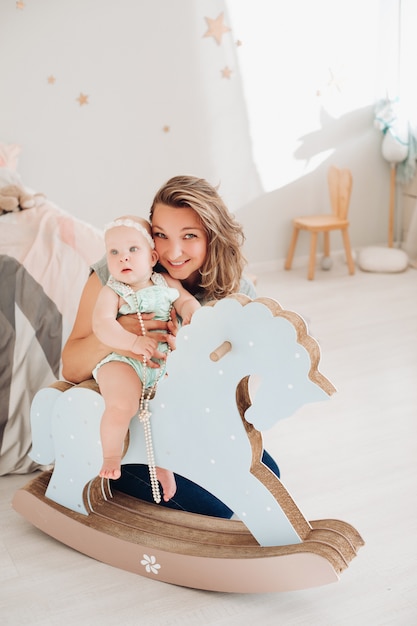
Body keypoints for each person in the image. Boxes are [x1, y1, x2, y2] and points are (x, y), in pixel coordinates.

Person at [62, 175, 280, 518]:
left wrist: (195, 357)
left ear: (214, 235)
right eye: (161, 235)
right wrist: (123, 333)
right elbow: (71, 367)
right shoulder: (120, 273)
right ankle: (112, 469)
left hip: (188, 418)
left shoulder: (237, 292)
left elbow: (233, 394)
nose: (172, 252)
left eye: (189, 236)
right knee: (218, 506)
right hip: (134, 423)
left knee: (268, 475)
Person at [92, 215, 200, 495]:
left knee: (171, 411)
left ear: (153, 257)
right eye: (114, 252)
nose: (122, 258)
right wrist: (131, 342)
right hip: (123, 361)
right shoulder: (112, 290)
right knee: (122, 405)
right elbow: (102, 325)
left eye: (132, 250)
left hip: (162, 366)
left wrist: (190, 314)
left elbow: (186, 300)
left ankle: (164, 464)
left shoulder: (164, 281)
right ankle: (111, 456)